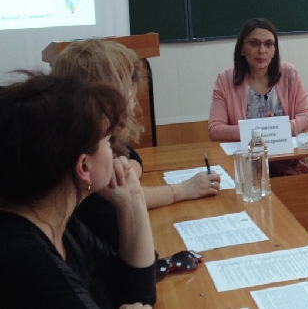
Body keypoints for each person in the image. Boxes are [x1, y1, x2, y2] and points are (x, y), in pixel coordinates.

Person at [0, 72, 156, 308]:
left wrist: (133, 201)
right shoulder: (28, 261)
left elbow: (136, 294)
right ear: (84, 166)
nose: (115, 153)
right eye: (108, 142)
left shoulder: (60, 222)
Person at [51, 39, 220, 247]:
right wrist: (181, 191)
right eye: (127, 81)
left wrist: (124, 171)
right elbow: (118, 200)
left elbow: (132, 155)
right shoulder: (83, 159)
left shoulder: (93, 135)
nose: (134, 92)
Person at [209, 18, 308, 176]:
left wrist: (287, 127)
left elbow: (306, 115)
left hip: (288, 165)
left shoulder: (289, 74)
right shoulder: (225, 79)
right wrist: (256, 130)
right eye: (254, 43)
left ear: (275, 50)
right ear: (242, 49)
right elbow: (215, 129)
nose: (262, 50)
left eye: (268, 44)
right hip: (243, 169)